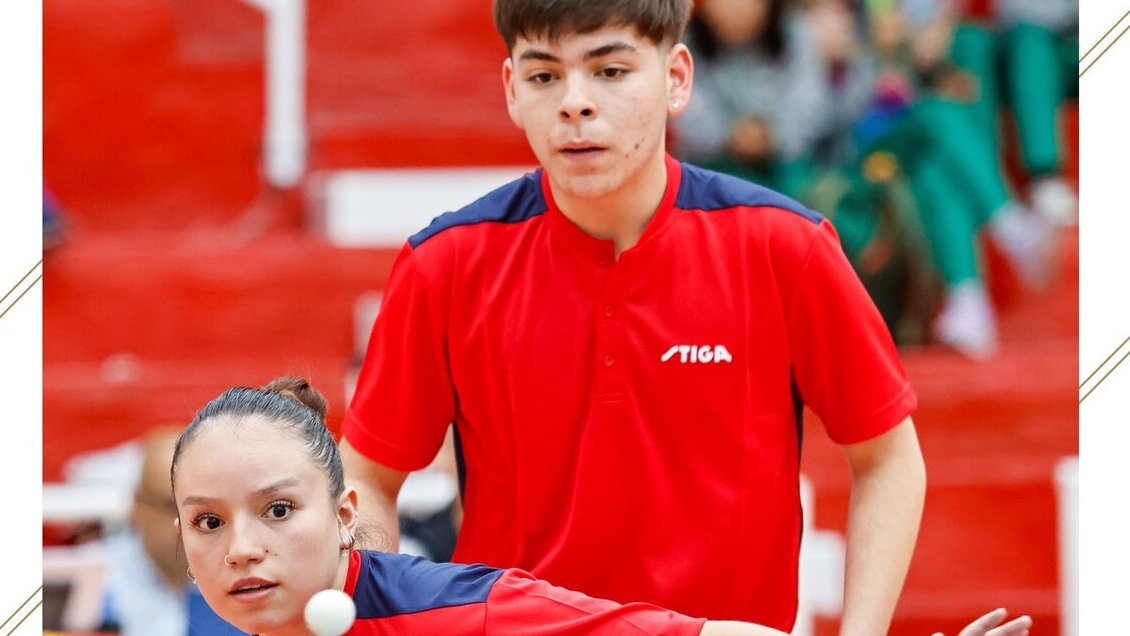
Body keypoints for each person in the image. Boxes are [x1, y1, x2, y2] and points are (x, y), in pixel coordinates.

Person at [339, 1, 927, 633]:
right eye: (544, 77)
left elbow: (889, 458)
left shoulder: (784, 247)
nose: (575, 103)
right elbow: (366, 477)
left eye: (610, 71)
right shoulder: (446, 264)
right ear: (512, 89)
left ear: (676, 78)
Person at [171, 377, 1033, 636]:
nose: (241, 547)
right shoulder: (201, 620)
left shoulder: (458, 611)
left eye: (278, 511)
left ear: (347, 511)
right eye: (209, 521)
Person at [99, 427, 242, 635]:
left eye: (203, 512)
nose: (184, 524)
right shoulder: (90, 585)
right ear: (137, 507)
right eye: (170, 506)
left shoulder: (242, 573)